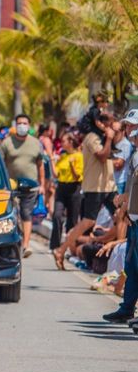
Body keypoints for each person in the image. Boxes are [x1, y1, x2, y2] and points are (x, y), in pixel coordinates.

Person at [54, 113, 117, 270]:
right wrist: (109, 138)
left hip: (109, 186)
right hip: (95, 187)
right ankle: (61, 250)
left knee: (121, 217)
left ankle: (116, 261)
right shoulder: (92, 138)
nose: (111, 124)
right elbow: (102, 156)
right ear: (98, 123)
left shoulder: (102, 135)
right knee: (88, 221)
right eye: (108, 122)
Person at [103, 109, 138, 322]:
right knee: (132, 268)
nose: (129, 130)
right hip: (134, 220)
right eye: (128, 126)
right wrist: (125, 203)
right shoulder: (134, 154)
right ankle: (126, 309)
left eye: (132, 126)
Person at [0, 114, 45, 258]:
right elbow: (0, 164)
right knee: (9, 214)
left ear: (29, 126)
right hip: (10, 186)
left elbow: (40, 165)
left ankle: (26, 245)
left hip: (30, 186)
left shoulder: (36, 143)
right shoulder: (7, 143)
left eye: (25, 123)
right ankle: (6, 243)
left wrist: (42, 184)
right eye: (19, 123)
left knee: (26, 214)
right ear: (15, 125)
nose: (22, 126)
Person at [49, 132, 83, 250]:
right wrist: (52, 161)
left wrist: (72, 166)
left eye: (64, 141)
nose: (61, 144)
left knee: (72, 219)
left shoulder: (79, 156)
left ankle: (69, 246)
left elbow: (77, 177)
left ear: (71, 142)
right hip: (62, 188)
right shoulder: (63, 156)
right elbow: (56, 174)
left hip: (74, 188)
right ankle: (55, 246)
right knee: (57, 215)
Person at [38, 124, 57, 214]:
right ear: (46, 131)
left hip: (41, 164)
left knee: (47, 189)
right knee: (48, 188)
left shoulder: (39, 139)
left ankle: (46, 208)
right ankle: (46, 209)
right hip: (47, 165)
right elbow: (50, 154)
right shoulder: (46, 140)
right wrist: (54, 164)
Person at [111, 116, 131, 194]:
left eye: (116, 132)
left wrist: (103, 161)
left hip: (120, 183)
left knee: (118, 206)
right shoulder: (110, 142)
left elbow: (118, 165)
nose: (113, 134)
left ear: (123, 132)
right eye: (112, 131)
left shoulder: (125, 144)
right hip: (111, 182)